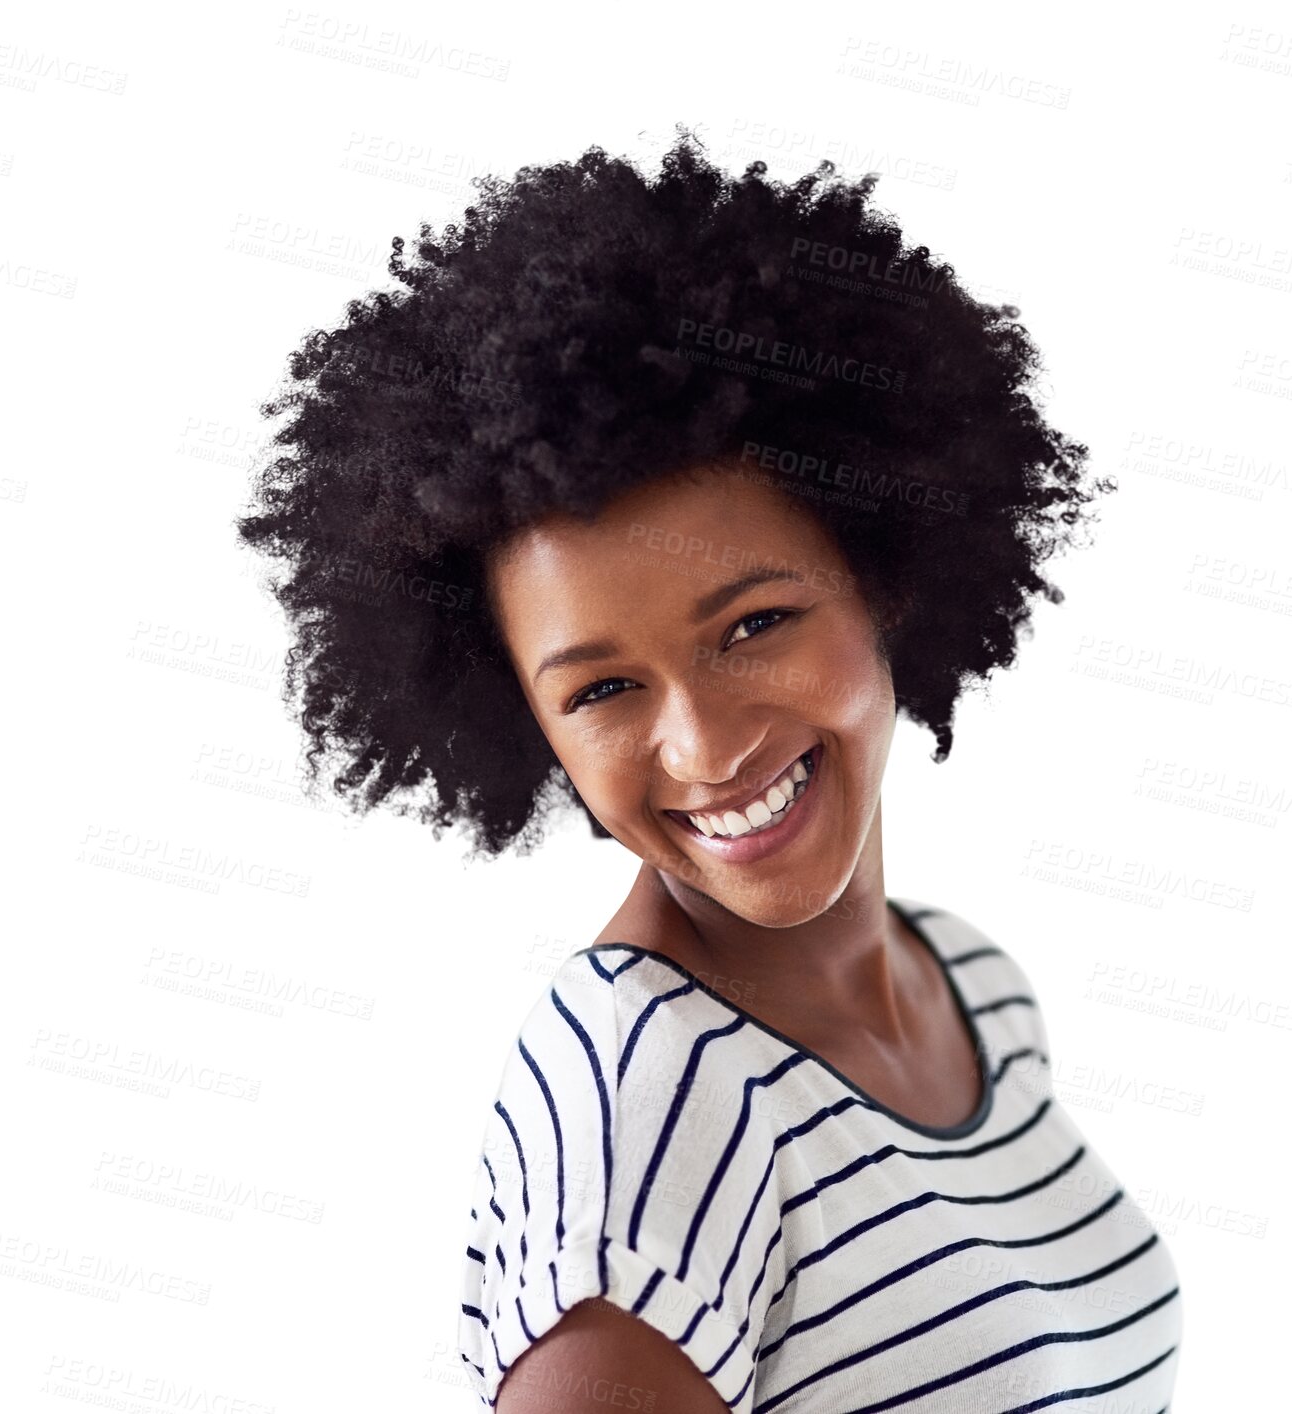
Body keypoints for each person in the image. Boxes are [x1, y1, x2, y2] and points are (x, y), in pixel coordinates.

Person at [235, 127, 1182, 1412]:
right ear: (523, 720)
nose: (705, 746)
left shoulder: (972, 986)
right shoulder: (642, 1103)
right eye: (605, 689)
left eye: (754, 625)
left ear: (883, 573)